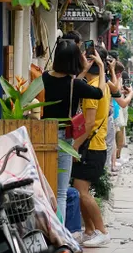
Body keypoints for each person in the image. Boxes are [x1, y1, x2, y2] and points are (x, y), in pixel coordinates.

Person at [42, 40, 105, 218]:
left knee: (45, 186)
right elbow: (99, 93)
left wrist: (83, 70)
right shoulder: (75, 85)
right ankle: (60, 237)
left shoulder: (45, 77)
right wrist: (100, 67)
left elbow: (64, 85)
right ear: (74, 60)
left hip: (43, 134)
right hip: (63, 138)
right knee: (61, 191)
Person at [73, 45, 112, 247]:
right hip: (97, 146)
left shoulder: (90, 92)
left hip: (91, 147)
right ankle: (89, 230)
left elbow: (88, 125)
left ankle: (102, 231)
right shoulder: (101, 84)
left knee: (82, 191)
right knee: (80, 190)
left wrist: (74, 147)